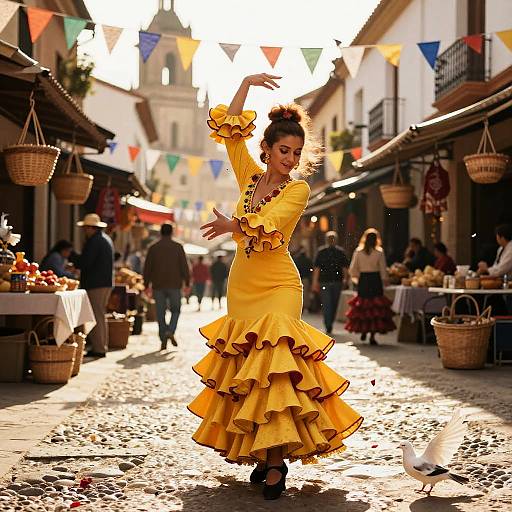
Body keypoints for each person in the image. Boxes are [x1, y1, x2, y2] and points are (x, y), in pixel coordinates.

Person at [188, 74, 362, 501]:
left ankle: (276, 463)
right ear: (266, 149)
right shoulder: (249, 177)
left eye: (297, 152)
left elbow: (270, 225)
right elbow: (229, 130)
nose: (290, 158)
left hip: (281, 283)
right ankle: (264, 453)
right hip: (244, 283)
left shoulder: (298, 190)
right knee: (250, 375)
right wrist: (244, 82)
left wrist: (234, 225)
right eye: (283, 150)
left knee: (278, 370)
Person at [143, 223, 190, 350]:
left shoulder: (153, 248)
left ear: (160, 232)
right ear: (172, 232)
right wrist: (187, 282)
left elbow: (147, 268)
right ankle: (170, 330)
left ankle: (163, 337)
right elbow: (184, 266)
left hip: (158, 285)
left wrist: (146, 284)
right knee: (176, 310)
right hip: (175, 285)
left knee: (160, 313)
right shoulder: (178, 247)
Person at [345, 228, 396, 345]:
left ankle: (364, 330)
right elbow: (383, 269)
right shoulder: (379, 252)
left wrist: (357, 278)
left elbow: (352, 269)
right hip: (375, 279)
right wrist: (385, 280)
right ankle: (372, 335)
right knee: (375, 307)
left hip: (364, 279)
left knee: (364, 306)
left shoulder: (358, 251)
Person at [75, 214, 114, 358]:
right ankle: (101, 346)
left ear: (91, 228)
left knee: (96, 315)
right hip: (103, 283)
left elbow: (85, 262)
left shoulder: (95, 241)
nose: (84, 231)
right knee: (99, 315)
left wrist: (73, 257)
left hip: (96, 284)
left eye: (86, 228)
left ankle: (99, 348)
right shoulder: (104, 239)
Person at [312, 231, 350, 335]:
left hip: (325, 282)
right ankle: (329, 323)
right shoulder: (340, 252)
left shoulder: (321, 251)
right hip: (334, 281)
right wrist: (346, 280)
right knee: (333, 304)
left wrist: (315, 283)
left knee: (328, 303)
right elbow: (345, 269)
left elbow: (317, 269)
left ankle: (328, 323)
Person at [293, 246, 313, 311]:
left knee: (298, 293)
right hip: (305, 278)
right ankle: (306, 307)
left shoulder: (296, 259)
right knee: (305, 293)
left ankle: (298, 306)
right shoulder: (308, 260)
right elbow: (311, 269)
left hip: (297, 278)